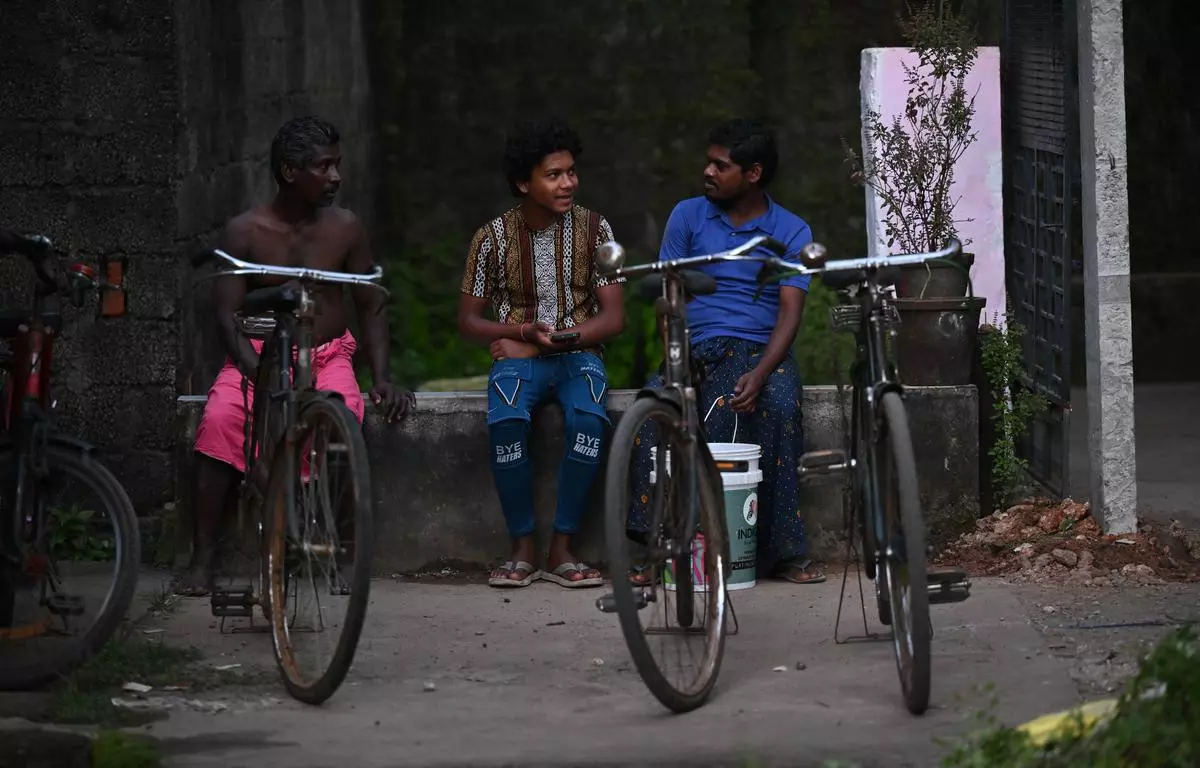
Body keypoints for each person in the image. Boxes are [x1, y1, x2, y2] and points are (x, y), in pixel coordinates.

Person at [178, 115, 415, 596]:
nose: (336, 177)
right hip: (259, 357)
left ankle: (341, 552)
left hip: (327, 356)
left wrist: (384, 376)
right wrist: (254, 373)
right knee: (221, 417)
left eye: (338, 165)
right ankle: (202, 558)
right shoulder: (244, 231)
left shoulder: (346, 227)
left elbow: (370, 302)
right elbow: (226, 317)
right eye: (323, 167)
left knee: (344, 417)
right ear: (290, 172)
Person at [626, 118, 826, 585]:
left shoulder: (791, 230)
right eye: (709, 162)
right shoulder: (687, 215)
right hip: (693, 349)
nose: (708, 172)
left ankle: (782, 554)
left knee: (777, 405)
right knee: (652, 413)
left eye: (722, 165)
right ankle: (661, 549)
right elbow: (667, 295)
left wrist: (760, 372)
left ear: (753, 174)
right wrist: (675, 357)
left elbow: (789, 314)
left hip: (760, 351)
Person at [457, 117, 625, 589]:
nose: (568, 182)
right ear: (522, 182)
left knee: (589, 418)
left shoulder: (597, 228)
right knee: (506, 418)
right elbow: (468, 321)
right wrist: (522, 332)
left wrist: (550, 341)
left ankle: (562, 549)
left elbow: (614, 319)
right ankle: (522, 548)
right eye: (553, 175)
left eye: (571, 171)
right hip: (519, 361)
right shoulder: (490, 238)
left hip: (579, 357)